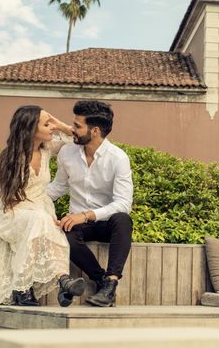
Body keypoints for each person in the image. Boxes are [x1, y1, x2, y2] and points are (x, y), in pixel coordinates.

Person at [0, 105, 86, 307]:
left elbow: (75, 141)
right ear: (30, 128)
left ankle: (62, 281)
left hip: (40, 209)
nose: (51, 127)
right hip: (12, 212)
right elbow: (9, 199)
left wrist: (59, 124)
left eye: (51, 123)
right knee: (41, 221)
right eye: (46, 124)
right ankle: (22, 287)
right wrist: (37, 213)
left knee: (52, 228)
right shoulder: (9, 157)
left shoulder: (47, 149)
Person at [48, 100, 133, 307]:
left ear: (94, 131)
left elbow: (123, 203)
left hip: (105, 223)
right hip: (79, 226)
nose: (72, 130)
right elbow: (58, 188)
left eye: (77, 126)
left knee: (123, 220)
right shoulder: (67, 153)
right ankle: (103, 282)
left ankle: (112, 281)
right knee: (64, 232)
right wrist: (27, 200)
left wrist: (87, 215)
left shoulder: (118, 158)